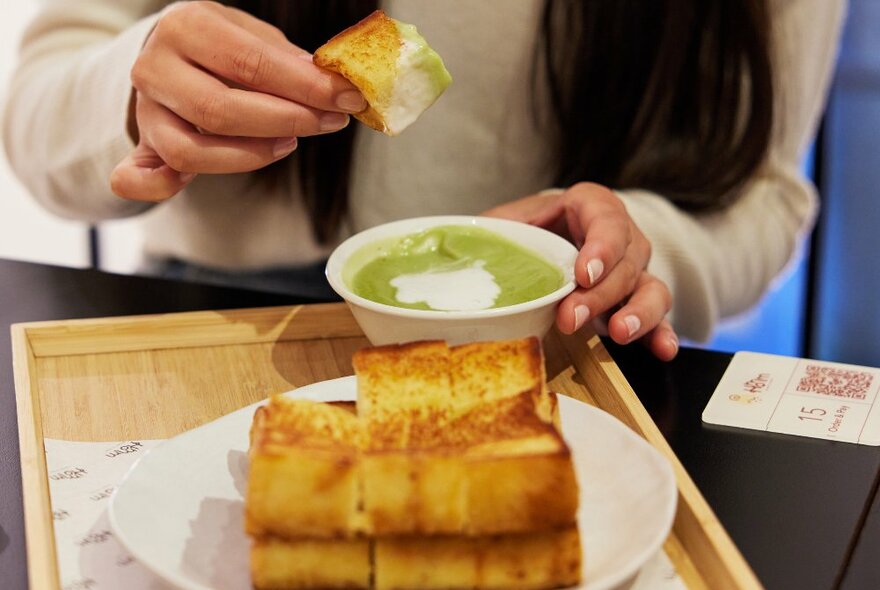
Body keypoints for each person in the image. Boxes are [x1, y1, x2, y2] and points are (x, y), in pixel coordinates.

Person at [2, 0, 846, 361]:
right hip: (222, 305)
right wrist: (138, 85)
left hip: (557, 332)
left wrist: (644, 244)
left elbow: (769, 193)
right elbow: (35, 105)